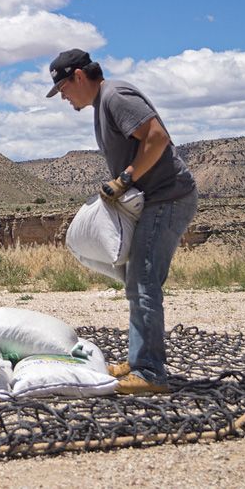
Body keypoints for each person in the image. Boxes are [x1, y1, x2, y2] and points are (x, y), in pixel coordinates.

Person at [46, 48, 198, 395]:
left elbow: (157, 137)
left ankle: (150, 372)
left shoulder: (116, 96)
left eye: (64, 89)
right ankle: (139, 359)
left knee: (144, 281)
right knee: (136, 280)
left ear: (79, 77)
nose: (64, 98)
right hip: (154, 200)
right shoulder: (103, 104)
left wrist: (125, 180)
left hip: (168, 196)